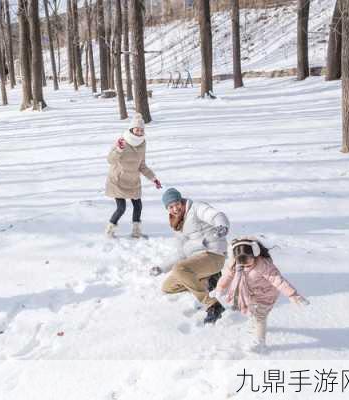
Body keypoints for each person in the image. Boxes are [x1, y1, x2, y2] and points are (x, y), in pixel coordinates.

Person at [216, 237, 309, 353]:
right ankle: (253, 322)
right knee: (251, 310)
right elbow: (227, 276)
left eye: (247, 259)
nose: (244, 264)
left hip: (266, 295)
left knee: (260, 316)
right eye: (241, 260)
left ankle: (260, 343)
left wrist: (292, 294)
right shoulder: (235, 264)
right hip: (249, 294)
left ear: (255, 253)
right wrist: (220, 288)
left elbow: (278, 280)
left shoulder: (263, 265)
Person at [160, 188, 229, 324]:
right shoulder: (177, 224)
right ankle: (209, 279)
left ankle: (212, 305)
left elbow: (214, 215)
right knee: (168, 287)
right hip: (196, 261)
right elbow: (180, 253)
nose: (175, 209)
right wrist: (161, 267)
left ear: (181, 201)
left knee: (180, 268)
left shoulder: (196, 208)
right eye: (170, 207)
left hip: (213, 255)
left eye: (176, 204)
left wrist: (222, 225)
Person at [105, 113, 162, 238]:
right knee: (121, 208)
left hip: (133, 181)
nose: (139, 132)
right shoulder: (122, 142)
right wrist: (119, 149)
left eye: (142, 130)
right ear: (131, 129)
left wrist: (153, 178)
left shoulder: (142, 144)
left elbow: (142, 165)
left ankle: (136, 232)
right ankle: (110, 229)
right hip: (118, 180)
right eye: (137, 129)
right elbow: (110, 160)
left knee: (138, 205)